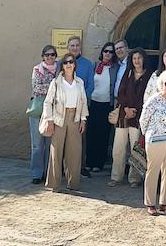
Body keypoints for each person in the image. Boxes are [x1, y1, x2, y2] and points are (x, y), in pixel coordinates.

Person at [40, 53, 89, 192]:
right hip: (59, 118)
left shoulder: (79, 82)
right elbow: (47, 103)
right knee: (56, 151)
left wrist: (83, 120)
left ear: (74, 65)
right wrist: (49, 120)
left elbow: (83, 102)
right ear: (62, 66)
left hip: (75, 117)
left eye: (71, 62)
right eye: (66, 62)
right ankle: (54, 184)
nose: (68, 64)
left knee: (74, 151)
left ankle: (73, 183)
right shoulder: (55, 83)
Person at [138, 69, 166, 213]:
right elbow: (143, 120)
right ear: (160, 84)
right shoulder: (153, 100)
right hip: (156, 140)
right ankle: (150, 203)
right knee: (153, 170)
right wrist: (148, 134)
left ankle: (165, 202)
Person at [110, 48, 149, 188]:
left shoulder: (149, 75)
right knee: (118, 148)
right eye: (134, 58)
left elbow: (147, 96)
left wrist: (135, 111)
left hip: (138, 117)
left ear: (143, 59)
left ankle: (134, 178)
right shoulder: (128, 73)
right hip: (123, 116)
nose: (136, 61)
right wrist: (126, 108)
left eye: (139, 58)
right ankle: (116, 176)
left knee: (136, 148)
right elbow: (121, 93)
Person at [84, 42, 119, 173]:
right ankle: (89, 161)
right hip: (93, 103)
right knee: (91, 133)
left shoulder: (115, 68)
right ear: (102, 52)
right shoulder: (95, 66)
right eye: (106, 51)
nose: (107, 54)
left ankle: (99, 163)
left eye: (110, 52)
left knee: (103, 134)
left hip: (106, 104)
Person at [27, 45, 58, 184]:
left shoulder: (59, 70)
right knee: (37, 144)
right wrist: (53, 86)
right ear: (43, 56)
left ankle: (47, 172)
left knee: (50, 143)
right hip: (38, 111)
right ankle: (36, 173)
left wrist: (50, 86)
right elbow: (36, 87)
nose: (49, 57)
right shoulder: (36, 69)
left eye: (52, 54)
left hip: (53, 111)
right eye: (46, 55)